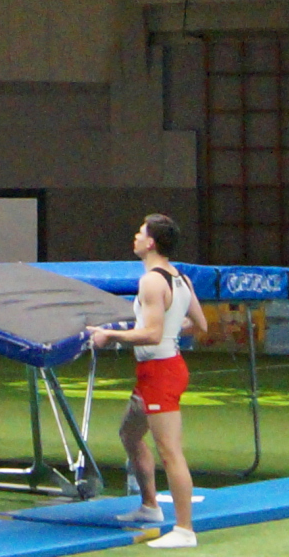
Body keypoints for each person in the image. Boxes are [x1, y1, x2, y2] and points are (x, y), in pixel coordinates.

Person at [85, 215, 207, 549]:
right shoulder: (181, 278)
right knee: (130, 433)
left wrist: (111, 334)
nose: (136, 236)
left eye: (141, 232)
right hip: (159, 369)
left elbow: (152, 334)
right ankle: (150, 506)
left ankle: (185, 530)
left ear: (151, 242)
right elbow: (200, 325)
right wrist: (170, 329)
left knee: (170, 452)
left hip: (161, 372)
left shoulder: (152, 282)